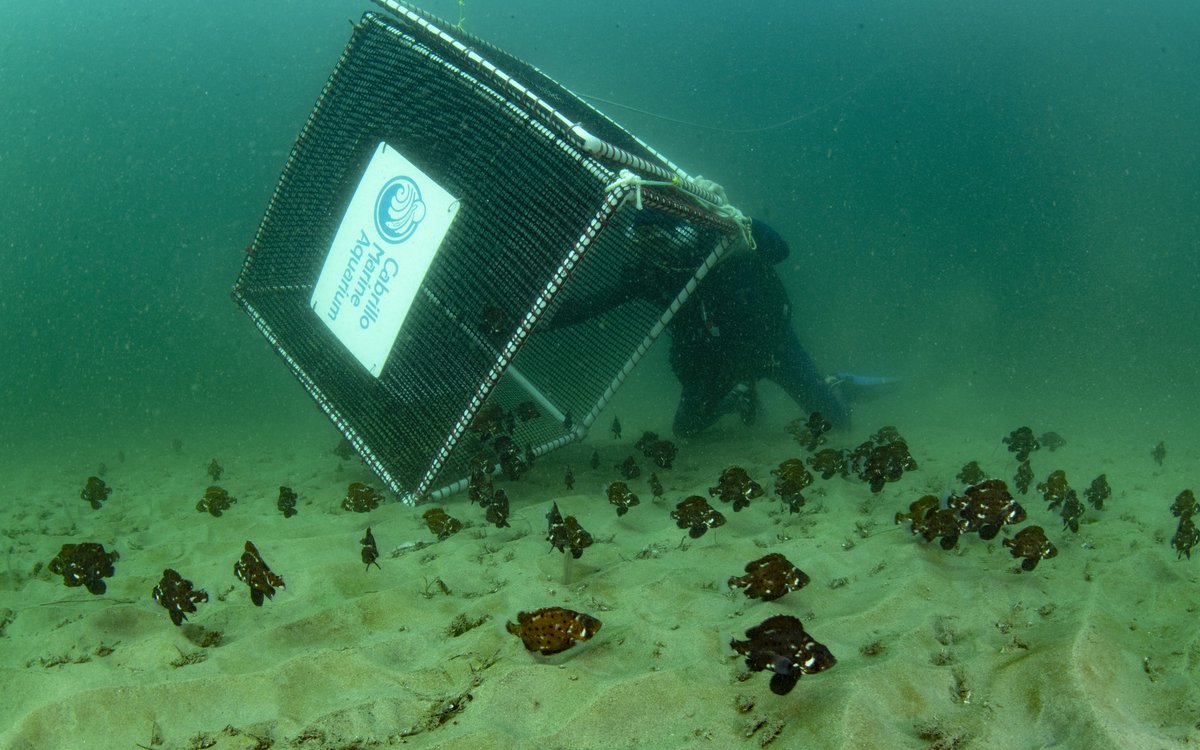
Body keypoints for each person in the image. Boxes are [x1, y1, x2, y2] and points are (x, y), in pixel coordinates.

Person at [652, 217, 849, 437]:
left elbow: (780, 250)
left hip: (776, 349)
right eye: (644, 239)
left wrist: (740, 220)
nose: (656, 247)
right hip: (723, 360)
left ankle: (836, 385)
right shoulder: (663, 268)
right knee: (686, 428)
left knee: (836, 425)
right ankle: (737, 396)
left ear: (681, 233)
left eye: (660, 238)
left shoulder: (727, 239)